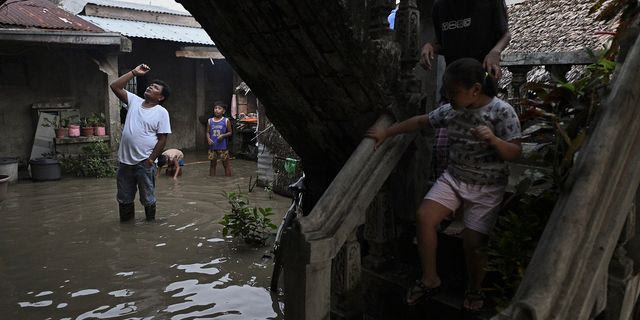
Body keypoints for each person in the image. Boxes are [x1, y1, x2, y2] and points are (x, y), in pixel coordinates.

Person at [367, 58, 522, 310]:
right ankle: (430, 278)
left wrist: (493, 140)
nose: (449, 97)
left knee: (473, 241)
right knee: (425, 216)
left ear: (475, 89)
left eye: (454, 92)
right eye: (447, 91)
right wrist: (387, 132)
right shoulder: (452, 111)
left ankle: (475, 288)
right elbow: (420, 121)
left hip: (487, 185)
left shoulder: (502, 112)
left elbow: (515, 152)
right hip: (455, 177)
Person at [110, 64, 171, 222]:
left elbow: (162, 139)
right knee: (124, 198)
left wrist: (151, 160)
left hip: (145, 163)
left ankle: (150, 227)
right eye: (151, 85)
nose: (151, 87)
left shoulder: (161, 112)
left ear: (161, 97)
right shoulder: (134, 101)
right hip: (125, 162)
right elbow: (115, 86)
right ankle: (127, 228)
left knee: (148, 198)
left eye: (155, 87)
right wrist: (133, 73)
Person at [207, 102, 232, 176]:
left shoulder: (226, 120)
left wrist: (223, 135)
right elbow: (207, 132)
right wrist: (208, 139)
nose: (217, 110)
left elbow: (230, 132)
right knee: (212, 165)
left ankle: (228, 181)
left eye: (219, 108)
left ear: (223, 111)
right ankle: (212, 181)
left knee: (226, 165)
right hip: (212, 147)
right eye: (215, 108)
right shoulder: (210, 120)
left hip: (223, 147)